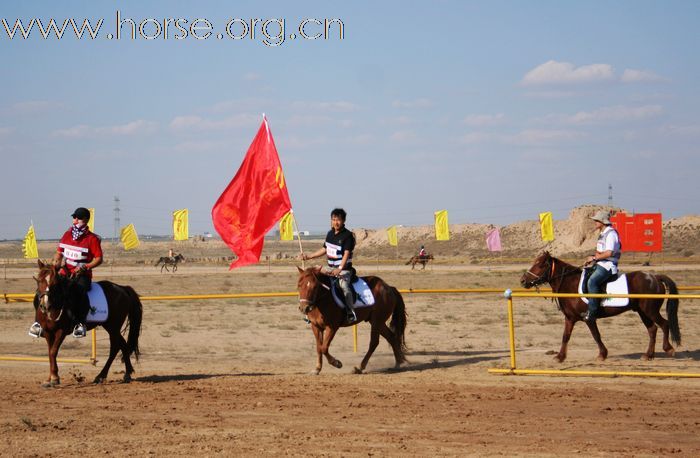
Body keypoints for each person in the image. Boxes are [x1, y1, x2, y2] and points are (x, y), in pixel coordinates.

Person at [28, 207, 103, 338]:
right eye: (74, 217)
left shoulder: (92, 239)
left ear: (85, 220)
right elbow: (59, 254)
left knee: (80, 292)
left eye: (78, 217)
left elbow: (99, 259)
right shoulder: (67, 235)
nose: (75, 220)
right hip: (64, 271)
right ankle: (37, 324)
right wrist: (55, 264)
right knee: (43, 290)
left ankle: (80, 324)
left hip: (82, 275)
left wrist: (86, 266)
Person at [300, 208, 357, 324]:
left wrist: (339, 269)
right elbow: (324, 249)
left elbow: (346, 254)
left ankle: (350, 312)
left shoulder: (348, 236)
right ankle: (309, 311)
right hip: (329, 268)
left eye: (338, 220)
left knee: (344, 287)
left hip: (343, 270)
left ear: (343, 221)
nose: (336, 222)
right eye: (333, 219)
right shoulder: (330, 234)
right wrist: (309, 256)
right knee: (312, 280)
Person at [582, 210, 621, 323]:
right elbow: (601, 252)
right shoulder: (603, 233)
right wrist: (592, 258)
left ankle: (593, 312)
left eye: (597, 220)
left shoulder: (611, 234)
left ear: (603, 222)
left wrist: (594, 258)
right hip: (601, 263)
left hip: (608, 266)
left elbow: (609, 253)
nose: (595, 222)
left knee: (592, 282)